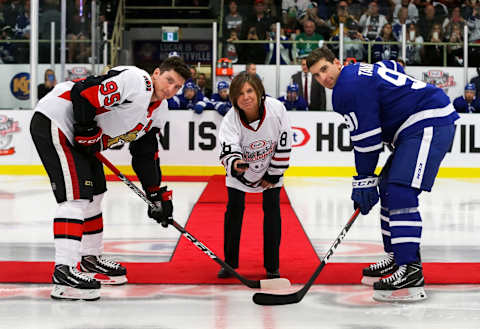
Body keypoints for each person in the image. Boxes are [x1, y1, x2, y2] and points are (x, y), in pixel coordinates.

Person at [29, 56, 191, 301]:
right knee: (75, 198)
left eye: (177, 86)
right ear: (156, 73)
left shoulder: (160, 109)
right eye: (169, 80)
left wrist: (155, 193)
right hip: (57, 120)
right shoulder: (136, 81)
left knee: (95, 194)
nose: (170, 89)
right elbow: (84, 92)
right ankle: (64, 272)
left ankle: (89, 258)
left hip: (80, 135)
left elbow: (145, 152)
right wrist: (85, 129)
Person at [306, 46, 458, 302]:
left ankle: (410, 269)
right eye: (316, 75)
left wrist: (363, 179)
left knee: (399, 191)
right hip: (417, 124)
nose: (323, 78)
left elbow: (367, 140)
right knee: (388, 186)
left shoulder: (346, 88)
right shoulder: (356, 71)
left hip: (428, 121)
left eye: (324, 69)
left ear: (336, 62)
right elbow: (392, 67)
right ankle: (398, 257)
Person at [217, 72, 292, 280]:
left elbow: (285, 143)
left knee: (272, 212)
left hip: (271, 167)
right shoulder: (230, 119)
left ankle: (272, 266)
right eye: (240, 93)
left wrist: (274, 174)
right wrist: (237, 164)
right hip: (240, 173)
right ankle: (230, 263)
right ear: (233, 97)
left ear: (259, 91)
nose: (246, 97)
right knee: (233, 212)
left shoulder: (277, 109)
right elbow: (228, 146)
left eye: (250, 90)